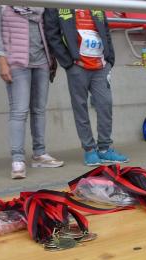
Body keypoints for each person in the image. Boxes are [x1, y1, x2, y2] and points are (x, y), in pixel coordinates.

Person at [44, 8, 129, 165]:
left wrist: (109, 59)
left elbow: (105, 31)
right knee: (80, 108)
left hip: (101, 65)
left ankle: (104, 149)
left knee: (105, 105)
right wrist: (69, 63)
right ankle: (89, 150)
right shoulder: (57, 4)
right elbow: (52, 35)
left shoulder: (94, 4)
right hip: (77, 66)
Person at [0, 5, 64, 179]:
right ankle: (17, 159)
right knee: (19, 111)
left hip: (42, 61)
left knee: (39, 110)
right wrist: (2, 63)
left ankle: (39, 153)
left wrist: (51, 59)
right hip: (15, 62)